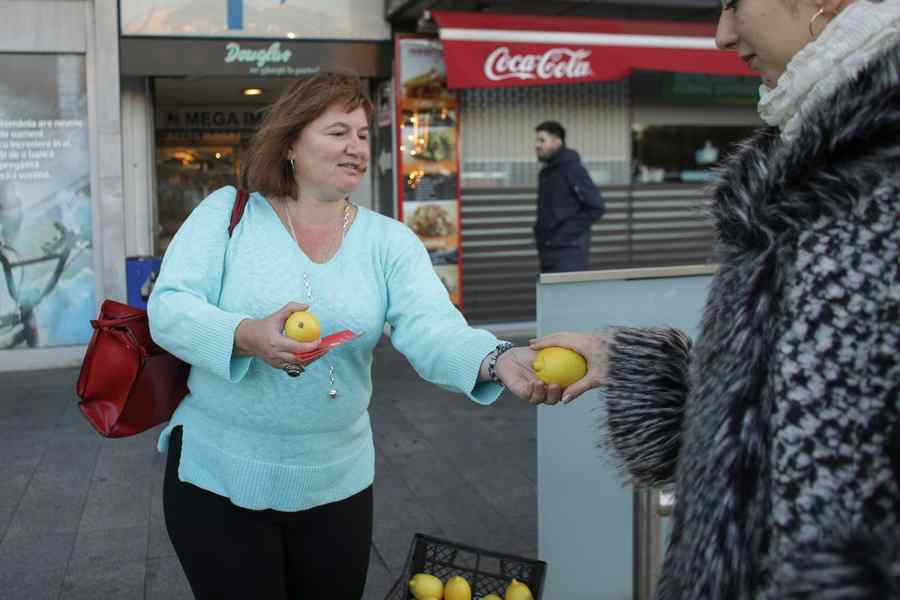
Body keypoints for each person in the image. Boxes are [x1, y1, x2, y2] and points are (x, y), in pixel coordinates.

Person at [523, 1, 900, 598]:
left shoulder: (871, 169)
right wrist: (624, 362)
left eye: (733, 2)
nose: (722, 36)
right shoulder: (809, 154)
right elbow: (782, 408)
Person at [147, 70, 550, 600]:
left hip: (337, 482)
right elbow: (169, 309)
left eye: (363, 135)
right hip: (217, 476)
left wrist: (496, 358)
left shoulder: (390, 241)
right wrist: (246, 335)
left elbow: (431, 326)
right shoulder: (227, 213)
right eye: (338, 132)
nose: (356, 147)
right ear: (291, 142)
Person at [532, 120, 604, 273]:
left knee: (569, 297)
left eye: (542, 140)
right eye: (536, 140)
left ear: (557, 141)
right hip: (548, 253)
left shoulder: (572, 169)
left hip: (568, 256)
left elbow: (596, 207)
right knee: (551, 297)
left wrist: (562, 236)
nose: (537, 145)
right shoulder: (546, 173)